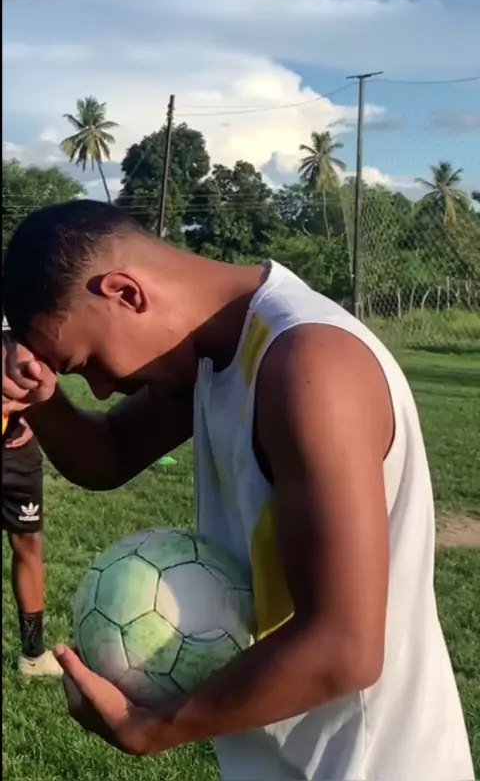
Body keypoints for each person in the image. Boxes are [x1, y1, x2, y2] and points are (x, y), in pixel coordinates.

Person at [2, 200, 474, 780]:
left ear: (126, 293)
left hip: (370, 764)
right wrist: (39, 397)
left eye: (88, 362)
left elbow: (343, 648)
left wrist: (152, 727)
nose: (100, 389)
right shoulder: (216, 349)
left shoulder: (308, 365)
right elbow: (110, 457)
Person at [2, 317, 62, 677]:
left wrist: (30, 411)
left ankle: (33, 655)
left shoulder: (22, 297)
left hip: (17, 450)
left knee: (28, 542)